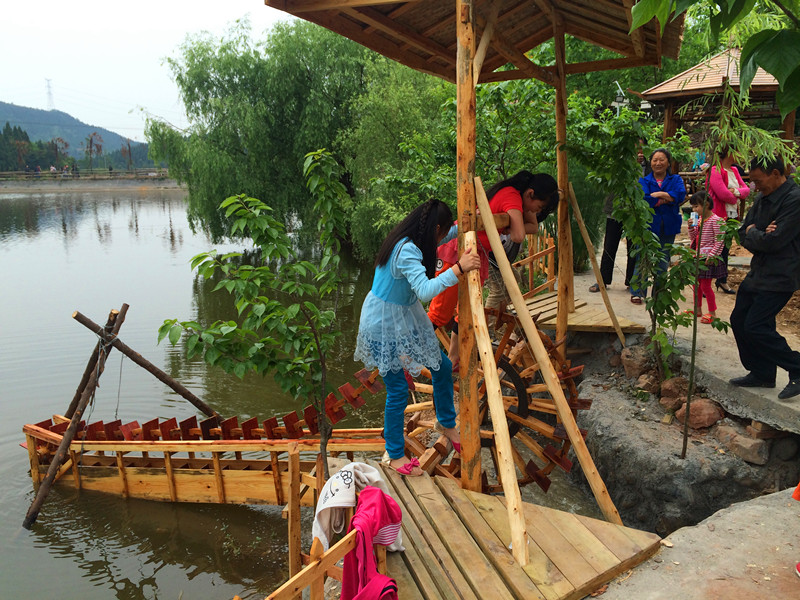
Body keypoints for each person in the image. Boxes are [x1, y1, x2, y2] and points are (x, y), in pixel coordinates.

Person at [353, 199, 481, 476]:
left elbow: (448, 234)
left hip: (402, 314)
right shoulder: (406, 250)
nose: (442, 237)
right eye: (442, 231)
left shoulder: (412, 235)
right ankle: (396, 456)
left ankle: (445, 422)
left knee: (443, 366)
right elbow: (424, 291)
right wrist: (459, 267)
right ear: (433, 228)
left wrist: (467, 221)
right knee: (398, 389)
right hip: (383, 323)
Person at [426, 171, 558, 363]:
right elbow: (518, 235)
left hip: (476, 254)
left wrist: (511, 223)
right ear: (530, 193)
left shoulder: (517, 198)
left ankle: (453, 357)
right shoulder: (511, 195)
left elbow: (533, 227)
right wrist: (512, 225)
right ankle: (405, 358)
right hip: (457, 249)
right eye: (538, 207)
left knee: (468, 310)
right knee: (440, 313)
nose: (536, 213)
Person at [729, 155, 800, 400]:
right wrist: (758, 233)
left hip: (782, 273)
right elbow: (742, 231)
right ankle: (762, 372)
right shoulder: (762, 197)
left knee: (756, 325)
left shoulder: (794, 200)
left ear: (776, 174)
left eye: (759, 181)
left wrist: (756, 234)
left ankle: (796, 367)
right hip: (759, 270)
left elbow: (775, 240)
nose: (755, 187)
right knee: (739, 320)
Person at [630, 148, 687, 304]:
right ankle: (638, 292)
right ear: (651, 162)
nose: (658, 163)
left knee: (663, 259)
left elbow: (680, 195)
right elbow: (645, 200)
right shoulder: (644, 180)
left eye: (662, 159)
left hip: (668, 225)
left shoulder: (675, 179)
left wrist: (658, 195)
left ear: (668, 162)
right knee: (643, 258)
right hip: (649, 225)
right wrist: (667, 197)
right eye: (655, 160)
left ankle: (658, 293)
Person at [706, 146, 750, 294]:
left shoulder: (735, 170)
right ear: (730, 153)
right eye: (738, 151)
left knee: (725, 248)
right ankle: (703, 282)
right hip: (717, 215)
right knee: (712, 247)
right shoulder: (715, 170)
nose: (740, 155)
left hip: (731, 215)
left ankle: (722, 280)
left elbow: (747, 190)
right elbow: (723, 194)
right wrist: (736, 195)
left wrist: (736, 192)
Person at [687, 192, 725, 324]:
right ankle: (697, 309)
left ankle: (712, 312)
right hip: (698, 256)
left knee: (705, 286)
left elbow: (719, 241)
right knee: (696, 284)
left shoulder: (717, 221)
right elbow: (694, 239)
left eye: (696, 206)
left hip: (707, 257)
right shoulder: (699, 221)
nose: (694, 210)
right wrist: (691, 227)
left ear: (706, 204)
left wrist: (712, 255)